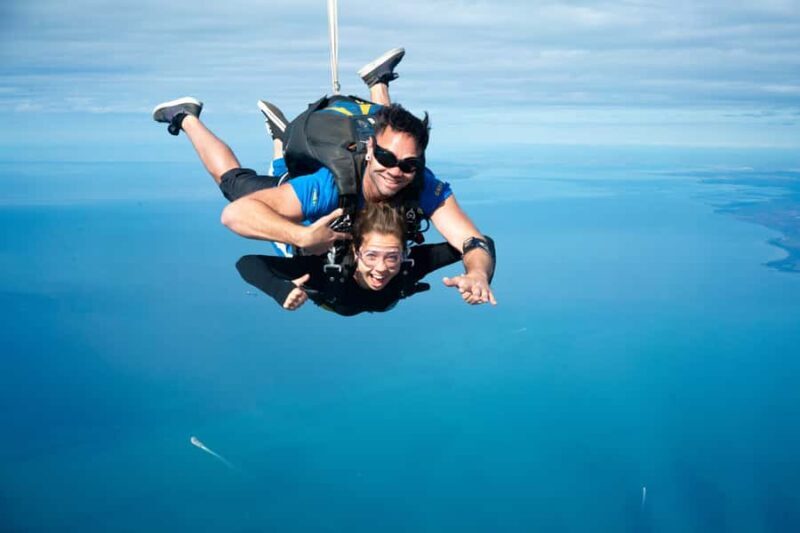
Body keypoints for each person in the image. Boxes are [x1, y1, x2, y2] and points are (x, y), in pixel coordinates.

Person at [152, 49, 496, 306]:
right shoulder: (330, 186)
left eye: (409, 164)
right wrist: (301, 236)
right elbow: (235, 215)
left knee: (397, 142)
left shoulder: (420, 182)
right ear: (369, 149)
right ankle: (186, 117)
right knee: (232, 184)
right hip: (308, 195)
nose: (396, 170)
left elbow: (473, 241)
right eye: (386, 158)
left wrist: (478, 273)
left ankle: (377, 83)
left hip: (351, 197)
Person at [237, 202, 477, 316]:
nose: (381, 268)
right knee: (240, 187)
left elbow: (475, 242)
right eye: (371, 256)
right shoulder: (325, 269)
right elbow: (247, 263)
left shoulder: (410, 265)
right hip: (303, 248)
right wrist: (280, 289)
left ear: (403, 253)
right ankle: (280, 148)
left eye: (392, 257)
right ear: (355, 251)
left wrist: (478, 273)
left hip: (341, 299)